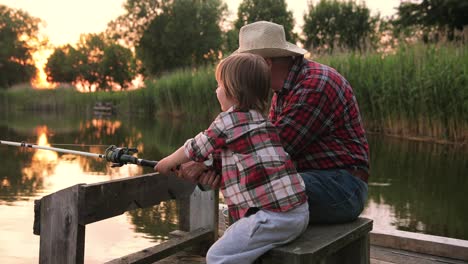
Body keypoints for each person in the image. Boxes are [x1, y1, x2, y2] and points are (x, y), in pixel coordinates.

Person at [177, 21, 370, 224]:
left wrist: (205, 163)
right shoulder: (282, 89)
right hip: (316, 182)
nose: (243, 74)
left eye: (248, 64)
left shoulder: (314, 86)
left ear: (267, 62)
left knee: (256, 189)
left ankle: (239, 249)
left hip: (342, 188)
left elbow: (271, 148)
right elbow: (259, 146)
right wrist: (215, 167)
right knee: (249, 186)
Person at [155, 53, 309, 264]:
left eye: (218, 85)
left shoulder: (228, 121)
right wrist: (206, 168)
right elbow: (231, 160)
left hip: (275, 217)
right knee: (235, 241)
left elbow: (196, 146)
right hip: (298, 213)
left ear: (232, 90)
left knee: (217, 255)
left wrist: (166, 162)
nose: (215, 90)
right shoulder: (261, 122)